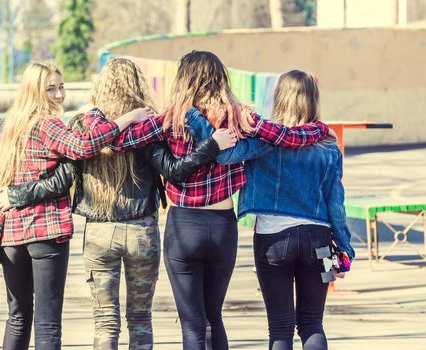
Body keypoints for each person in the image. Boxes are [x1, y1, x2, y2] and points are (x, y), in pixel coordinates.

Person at [82, 51, 332, 350]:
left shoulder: (169, 118)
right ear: (221, 78)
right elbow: (285, 136)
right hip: (224, 226)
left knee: (193, 325)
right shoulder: (239, 117)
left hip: (184, 225)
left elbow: (117, 141)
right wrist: (319, 129)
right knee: (215, 317)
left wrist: (96, 114)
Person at [0, 58, 237, 350]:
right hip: (142, 231)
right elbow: (172, 169)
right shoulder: (148, 126)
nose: (59, 94)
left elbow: (67, 173)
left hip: (99, 232)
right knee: (140, 319)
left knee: (105, 321)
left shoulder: (85, 126)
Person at [0, 60, 152, 350]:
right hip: (45, 232)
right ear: (34, 91)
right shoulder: (47, 124)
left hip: (11, 234)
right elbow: (83, 146)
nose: (59, 95)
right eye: (50, 89)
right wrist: (126, 119)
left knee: (17, 317)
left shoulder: (13, 126)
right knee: (48, 323)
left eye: (61, 87)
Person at [186, 69, 355, 350]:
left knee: (280, 327)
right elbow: (336, 203)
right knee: (313, 322)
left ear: (279, 98)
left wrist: (195, 118)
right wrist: (346, 250)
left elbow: (224, 154)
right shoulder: (329, 145)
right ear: (313, 101)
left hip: (273, 240)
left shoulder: (265, 141)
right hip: (320, 243)